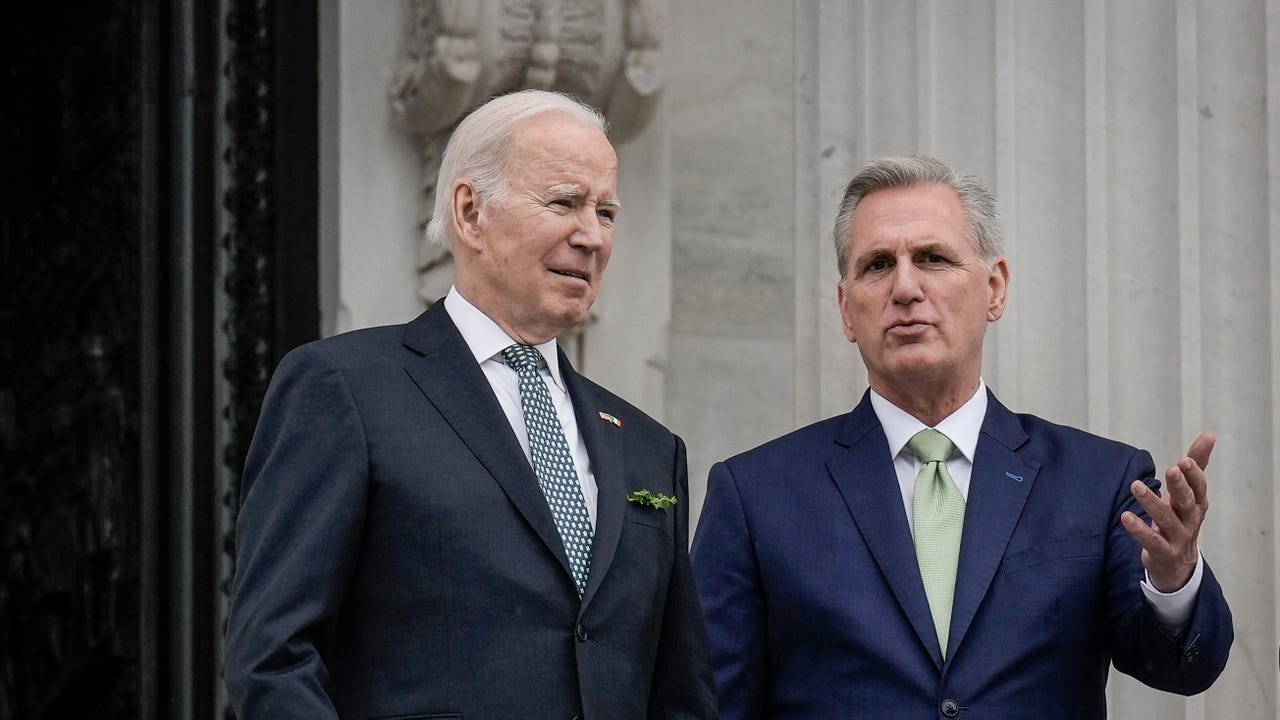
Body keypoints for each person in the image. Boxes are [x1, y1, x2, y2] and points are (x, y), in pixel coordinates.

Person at [225, 89, 717, 719]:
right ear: (470, 211)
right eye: (565, 202)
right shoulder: (343, 389)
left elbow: (681, 694)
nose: (592, 236)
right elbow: (272, 660)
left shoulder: (649, 446)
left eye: (608, 212)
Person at [691, 156, 1232, 719]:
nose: (905, 288)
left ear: (995, 289)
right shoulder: (755, 494)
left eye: (932, 258)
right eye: (877, 265)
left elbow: (1180, 668)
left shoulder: (1099, 482)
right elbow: (710, 703)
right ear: (846, 310)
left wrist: (1174, 581)